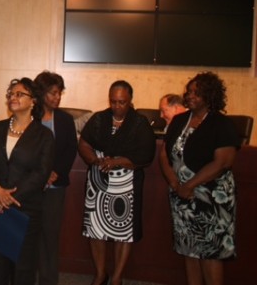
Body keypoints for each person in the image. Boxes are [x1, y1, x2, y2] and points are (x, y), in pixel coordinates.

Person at [158, 72, 239, 285]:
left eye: (197, 93)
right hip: (182, 196)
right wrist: (176, 184)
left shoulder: (221, 124)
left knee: (210, 251)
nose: (190, 95)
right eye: (189, 91)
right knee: (189, 248)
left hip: (211, 197)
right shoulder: (179, 120)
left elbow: (223, 162)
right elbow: (165, 154)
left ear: (209, 95)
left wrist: (189, 185)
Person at [0, 78, 54, 285]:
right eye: (11, 93)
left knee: (22, 269)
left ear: (34, 101)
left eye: (20, 94)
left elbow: (40, 173)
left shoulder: (44, 135)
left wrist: (9, 197)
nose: (13, 97)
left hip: (25, 210)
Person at [78, 80, 155, 285]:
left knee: (123, 233)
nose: (117, 106)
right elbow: (84, 143)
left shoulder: (140, 123)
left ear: (130, 101)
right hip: (98, 181)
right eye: (113, 101)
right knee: (96, 229)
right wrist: (94, 160)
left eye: (122, 102)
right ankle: (101, 273)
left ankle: (117, 277)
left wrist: (117, 161)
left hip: (127, 183)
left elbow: (145, 155)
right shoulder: (99, 119)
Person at [33, 71, 78, 285]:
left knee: (50, 236)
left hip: (54, 187)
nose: (57, 97)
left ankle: (48, 280)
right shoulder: (29, 116)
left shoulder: (66, 119)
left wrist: (54, 173)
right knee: (29, 236)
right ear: (41, 93)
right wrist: (39, 174)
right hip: (29, 186)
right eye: (52, 93)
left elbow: (70, 150)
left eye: (59, 93)